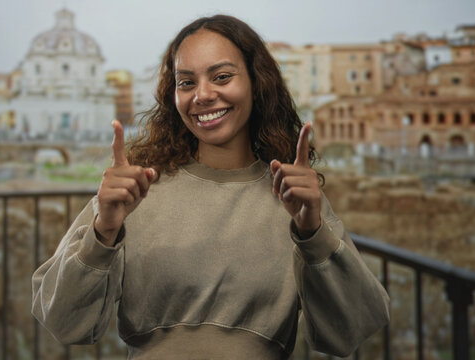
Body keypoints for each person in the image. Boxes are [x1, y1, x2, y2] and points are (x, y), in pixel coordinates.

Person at [32, 14, 389, 359]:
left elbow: (354, 330)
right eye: (186, 82)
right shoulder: (137, 191)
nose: (202, 95)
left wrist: (313, 233)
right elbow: (63, 323)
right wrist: (102, 232)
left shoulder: (296, 199)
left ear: (256, 82)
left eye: (221, 76)